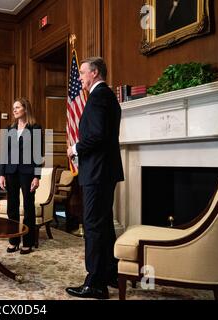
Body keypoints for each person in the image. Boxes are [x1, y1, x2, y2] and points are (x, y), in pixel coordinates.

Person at [65, 57, 124, 299]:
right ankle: (110, 273)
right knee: (104, 224)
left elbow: (97, 135)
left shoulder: (100, 97)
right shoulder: (107, 96)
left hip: (97, 172)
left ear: (95, 72)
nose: (79, 77)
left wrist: (75, 148)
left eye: (82, 72)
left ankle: (95, 283)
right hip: (103, 171)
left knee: (92, 226)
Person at [0, 98, 43, 255]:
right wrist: (1, 174)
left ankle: (28, 242)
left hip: (28, 172)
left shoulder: (35, 128)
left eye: (17, 107)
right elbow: (4, 153)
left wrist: (37, 176)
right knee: (12, 207)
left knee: (29, 207)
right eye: (13, 108)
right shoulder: (10, 128)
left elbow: (39, 154)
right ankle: (13, 241)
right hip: (11, 172)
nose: (14, 110)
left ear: (25, 109)